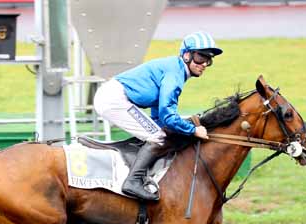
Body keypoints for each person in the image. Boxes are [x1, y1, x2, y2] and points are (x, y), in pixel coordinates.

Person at [93, 31, 223, 201]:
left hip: (113, 96)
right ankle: (132, 182)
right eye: (201, 57)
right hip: (114, 99)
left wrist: (172, 128)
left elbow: (159, 114)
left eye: (209, 60)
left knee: (157, 132)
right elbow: (168, 115)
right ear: (186, 55)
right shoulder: (175, 74)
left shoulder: (175, 69)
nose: (204, 63)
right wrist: (193, 130)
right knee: (158, 137)